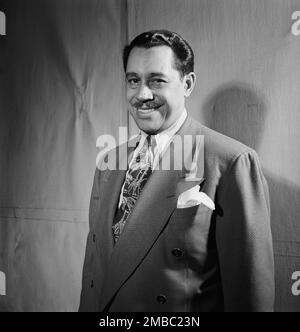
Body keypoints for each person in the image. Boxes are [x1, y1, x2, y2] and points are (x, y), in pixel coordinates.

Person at [79, 30, 274, 312]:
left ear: (187, 84)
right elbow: (95, 274)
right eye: (133, 81)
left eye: (157, 80)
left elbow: (249, 293)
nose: (142, 94)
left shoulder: (231, 162)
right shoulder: (109, 162)